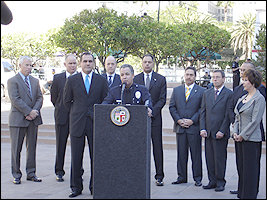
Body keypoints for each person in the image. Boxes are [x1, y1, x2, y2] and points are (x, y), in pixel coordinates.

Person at [63, 52, 108, 197]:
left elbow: (105, 100)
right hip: (77, 122)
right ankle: (76, 187)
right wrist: (77, 113)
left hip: (95, 123)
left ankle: (96, 187)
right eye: (85, 61)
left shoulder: (101, 80)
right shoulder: (72, 80)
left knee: (96, 157)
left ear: (93, 63)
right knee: (76, 157)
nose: (88, 63)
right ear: (80, 63)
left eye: (90, 61)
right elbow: (66, 101)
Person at [229, 62, 266, 196]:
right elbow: (237, 116)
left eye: (245, 80)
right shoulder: (243, 97)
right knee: (242, 167)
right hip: (239, 138)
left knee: (250, 169)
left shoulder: (259, 98)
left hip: (251, 138)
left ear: (252, 82)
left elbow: (255, 120)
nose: (243, 82)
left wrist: (243, 135)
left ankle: (249, 194)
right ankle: (242, 192)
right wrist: (235, 133)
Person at [7, 56, 43, 184]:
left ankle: (31, 173)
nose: (29, 68)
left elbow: (39, 97)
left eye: (30, 65)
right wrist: (28, 112)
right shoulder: (12, 81)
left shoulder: (34, 80)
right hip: (18, 119)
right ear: (20, 65)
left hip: (33, 120)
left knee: (31, 147)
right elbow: (15, 99)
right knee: (16, 148)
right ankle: (16, 174)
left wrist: (34, 112)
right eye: (26, 65)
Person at [169, 66, 205, 187]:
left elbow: (202, 109)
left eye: (191, 75)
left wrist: (192, 120)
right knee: (181, 154)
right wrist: (178, 120)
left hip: (194, 128)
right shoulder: (177, 90)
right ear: (184, 76)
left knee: (196, 154)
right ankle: (181, 177)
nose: (188, 77)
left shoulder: (201, 91)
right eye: (187, 74)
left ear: (195, 77)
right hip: (180, 128)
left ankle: (198, 178)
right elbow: (172, 107)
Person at [134, 54, 166, 186]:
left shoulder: (160, 79)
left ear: (153, 64)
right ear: (142, 64)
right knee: (139, 148)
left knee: (157, 148)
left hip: (155, 119)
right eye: (145, 62)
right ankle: (139, 174)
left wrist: (152, 111)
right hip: (139, 120)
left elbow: (162, 99)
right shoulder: (135, 78)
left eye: (149, 62)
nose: (147, 64)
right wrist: (141, 112)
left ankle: (159, 176)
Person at [200, 70, 232, 192]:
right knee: (209, 158)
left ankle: (220, 182)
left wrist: (222, 130)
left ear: (223, 79)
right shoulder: (206, 93)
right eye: (213, 77)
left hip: (220, 132)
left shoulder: (229, 94)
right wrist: (202, 128)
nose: (215, 79)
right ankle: (212, 181)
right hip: (208, 132)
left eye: (218, 77)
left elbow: (228, 114)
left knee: (219, 158)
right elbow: (203, 112)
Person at [50, 54, 78, 182]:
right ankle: (59, 171)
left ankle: (78, 171)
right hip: (62, 117)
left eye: (74, 63)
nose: (72, 66)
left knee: (77, 146)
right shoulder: (57, 78)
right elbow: (54, 98)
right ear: (65, 64)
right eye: (70, 63)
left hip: (77, 117)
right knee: (60, 144)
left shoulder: (80, 77)